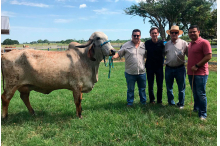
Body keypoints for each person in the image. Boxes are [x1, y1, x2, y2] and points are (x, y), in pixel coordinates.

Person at [112, 29, 146, 106]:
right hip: (130, 72)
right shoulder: (126, 45)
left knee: (142, 89)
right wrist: (114, 56)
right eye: (134, 35)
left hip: (141, 72)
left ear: (140, 36)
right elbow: (119, 53)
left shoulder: (144, 45)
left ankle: (143, 102)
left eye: (138, 35)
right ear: (132, 36)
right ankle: (130, 103)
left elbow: (148, 55)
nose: (136, 37)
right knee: (130, 90)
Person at [187, 25, 212, 121]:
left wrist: (197, 66)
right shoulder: (190, 44)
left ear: (199, 32)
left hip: (201, 73)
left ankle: (203, 114)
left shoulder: (204, 42)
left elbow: (208, 56)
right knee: (195, 92)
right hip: (191, 72)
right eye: (190, 32)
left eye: (194, 31)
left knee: (201, 93)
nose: (192, 33)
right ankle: (196, 108)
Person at [164, 25, 188, 109]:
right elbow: (162, 55)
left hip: (180, 68)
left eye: (176, 32)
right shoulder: (166, 44)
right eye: (172, 32)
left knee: (181, 88)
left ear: (178, 34)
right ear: (170, 34)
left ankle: (181, 104)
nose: (174, 34)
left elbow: (189, 55)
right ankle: (171, 103)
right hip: (168, 68)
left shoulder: (184, 43)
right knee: (169, 87)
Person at [145, 27, 165, 104]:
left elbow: (165, 53)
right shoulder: (147, 43)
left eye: (155, 33)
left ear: (158, 34)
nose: (154, 34)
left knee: (160, 85)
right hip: (149, 67)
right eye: (152, 33)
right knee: (150, 85)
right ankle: (152, 100)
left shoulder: (162, 43)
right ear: (150, 34)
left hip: (159, 67)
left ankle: (159, 101)